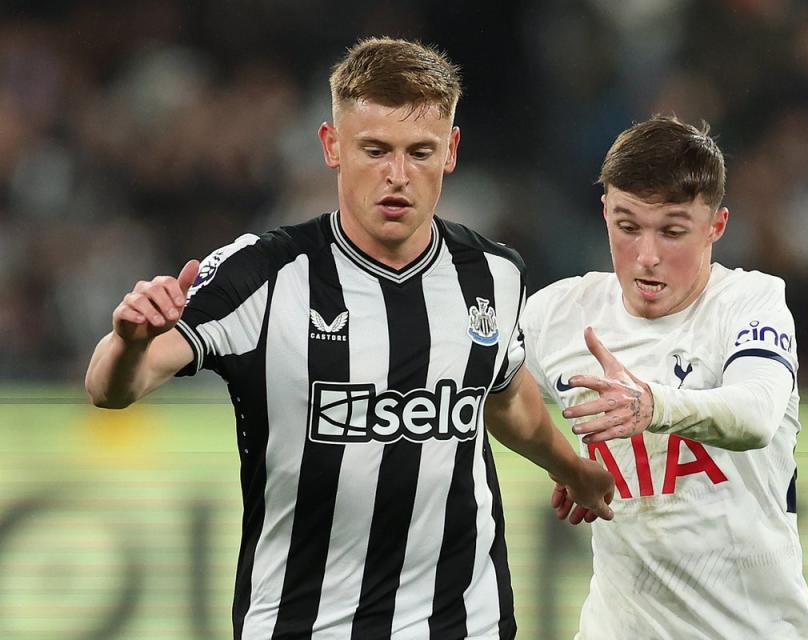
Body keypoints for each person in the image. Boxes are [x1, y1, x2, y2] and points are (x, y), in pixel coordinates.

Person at [85, 37, 613, 640]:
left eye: (420, 152)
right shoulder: (263, 273)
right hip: (301, 623)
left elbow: (503, 394)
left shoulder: (493, 273)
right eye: (375, 150)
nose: (397, 175)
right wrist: (128, 340)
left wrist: (571, 467)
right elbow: (110, 388)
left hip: (463, 622)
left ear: (452, 151)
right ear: (332, 147)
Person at [521, 115, 808, 639]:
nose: (646, 255)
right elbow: (484, 393)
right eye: (627, 226)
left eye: (672, 231)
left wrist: (651, 406)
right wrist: (563, 461)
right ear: (604, 213)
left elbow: (755, 414)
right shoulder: (557, 314)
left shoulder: (750, 303)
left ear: (716, 225)